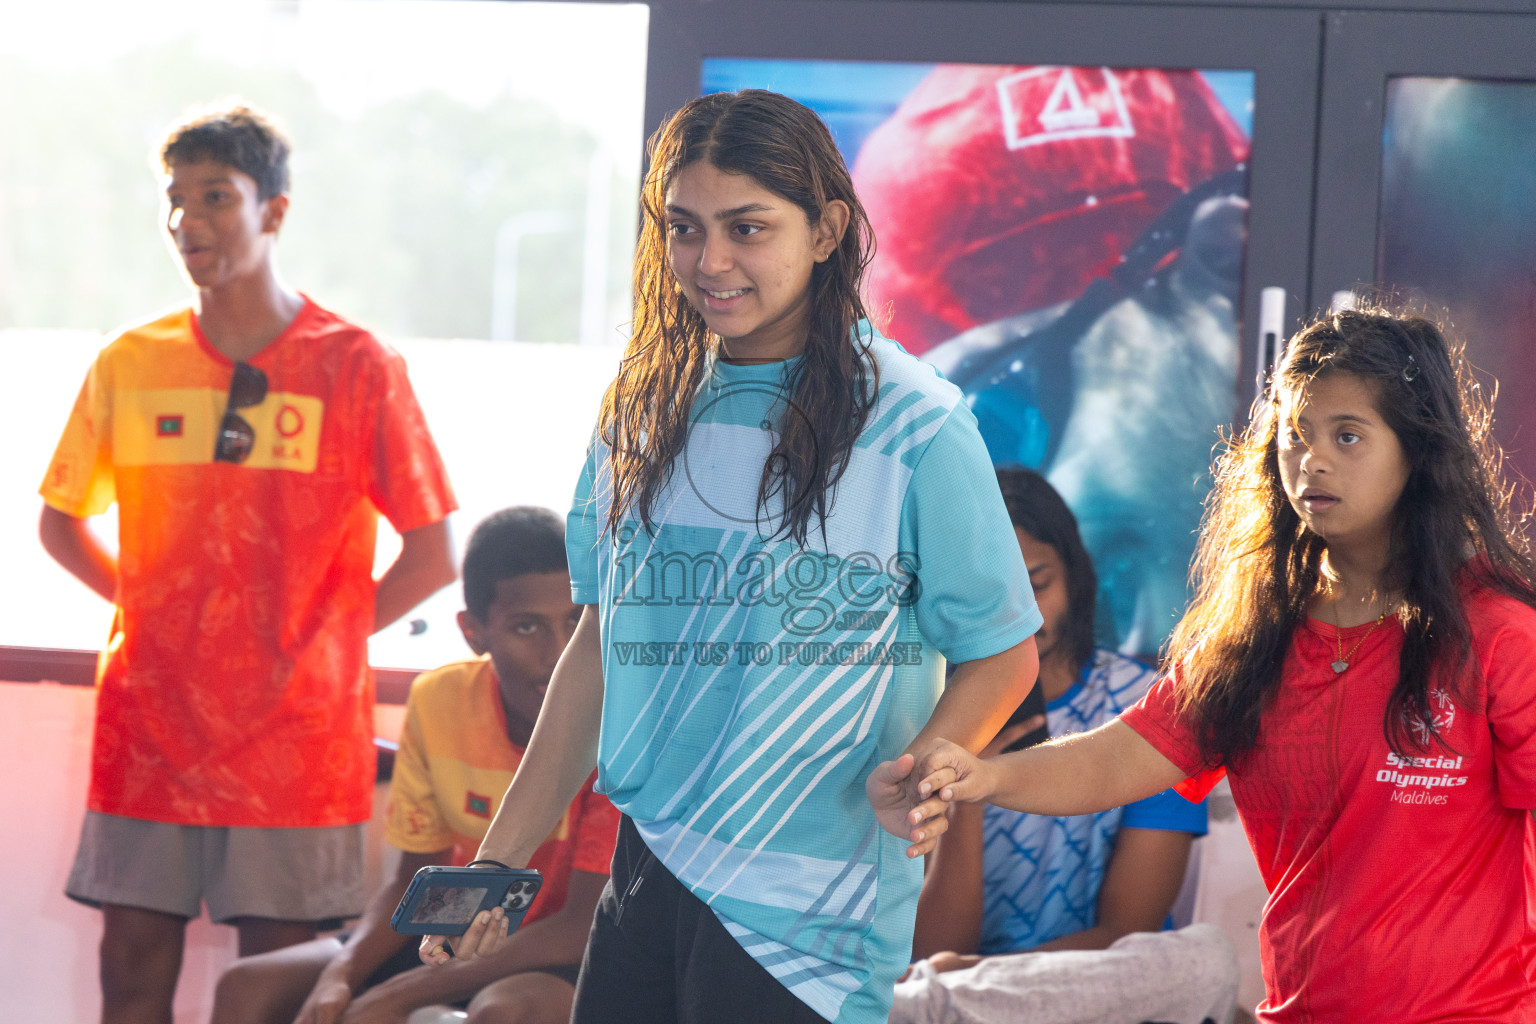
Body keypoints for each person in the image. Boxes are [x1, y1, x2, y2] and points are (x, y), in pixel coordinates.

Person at [422, 89, 1043, 1024]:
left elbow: (1002, 653)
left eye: (747, 228)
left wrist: (924, 766)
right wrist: (500, 861)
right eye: (684, 228)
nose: (709, 262)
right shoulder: (639, 413)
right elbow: (599, 650)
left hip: (812, 908)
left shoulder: (917, 424)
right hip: (654, 863)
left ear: (828, 229)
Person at [890, 308, 1536, 1022]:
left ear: (1418, 452)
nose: (1311, 461)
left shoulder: (1501, 638)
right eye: (1296, 434)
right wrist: (985, 775)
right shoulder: (1254, 641)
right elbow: (1117, 760)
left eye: (1347, 436)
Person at [37, 102, 457, 1023]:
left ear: (274, 212)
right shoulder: (129, 362)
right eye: (175, 200)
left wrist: (326, 640)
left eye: (216, 198)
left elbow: (433, 552)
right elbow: (59, 524)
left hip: (296, 741)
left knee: (275, 985)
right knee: (132, 968)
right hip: (147, 729)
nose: (189, 222)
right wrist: (145, 612)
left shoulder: (355, 364)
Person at [209, 507, 620, 1024]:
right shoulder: (439, 699)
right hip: (447, 938)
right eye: (526, 626)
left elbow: (580, 923)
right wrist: (342, 974)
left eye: (574, 623)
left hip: (556, 954)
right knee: (247, 986)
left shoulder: (609, 722)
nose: (558, 653)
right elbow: (412, 880)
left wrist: (401, 994)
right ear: (473, 632)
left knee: (504, 1012)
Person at [890, 466, 1236, 1024]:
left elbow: (1129, 930)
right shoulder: (933, 714)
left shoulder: (1146, 706)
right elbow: (930, 952)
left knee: (1205, 959)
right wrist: (971, 797)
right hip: (957, 996)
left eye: (1037, 583)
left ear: (1075, 576)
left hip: (1084, 994)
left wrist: (978, 981)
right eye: (994, 593)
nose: (1019, 614)